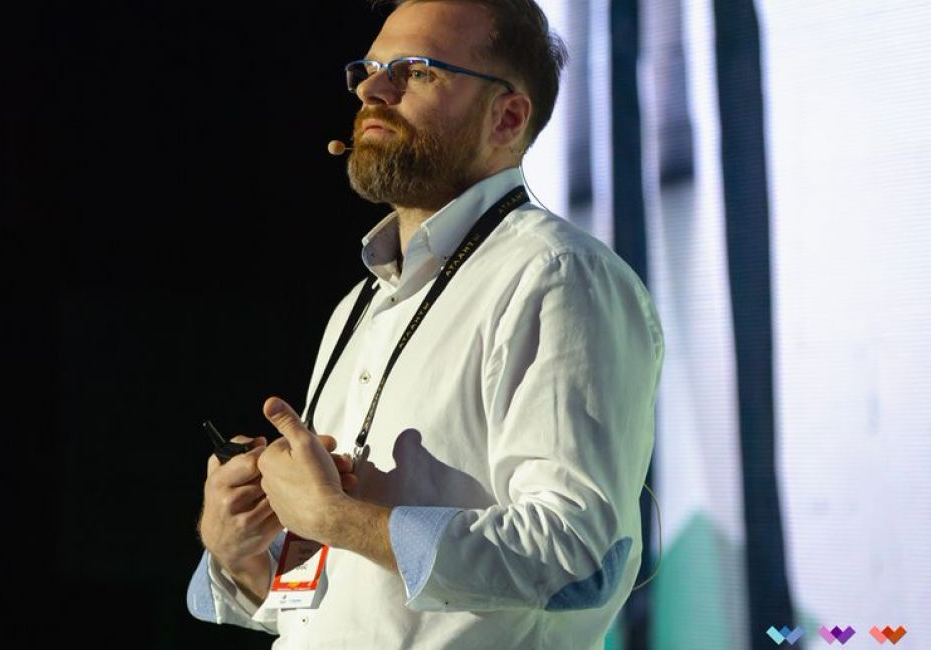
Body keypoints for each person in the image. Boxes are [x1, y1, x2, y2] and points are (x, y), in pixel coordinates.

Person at [188, 0, 663, 647]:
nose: (372, 91)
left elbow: (578, 560)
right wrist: (240, 548)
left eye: (415, 72)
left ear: (507, 117)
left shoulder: (557, 275)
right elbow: (352, 604)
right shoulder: (361, 303)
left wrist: (340, 518)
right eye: (369, 69)